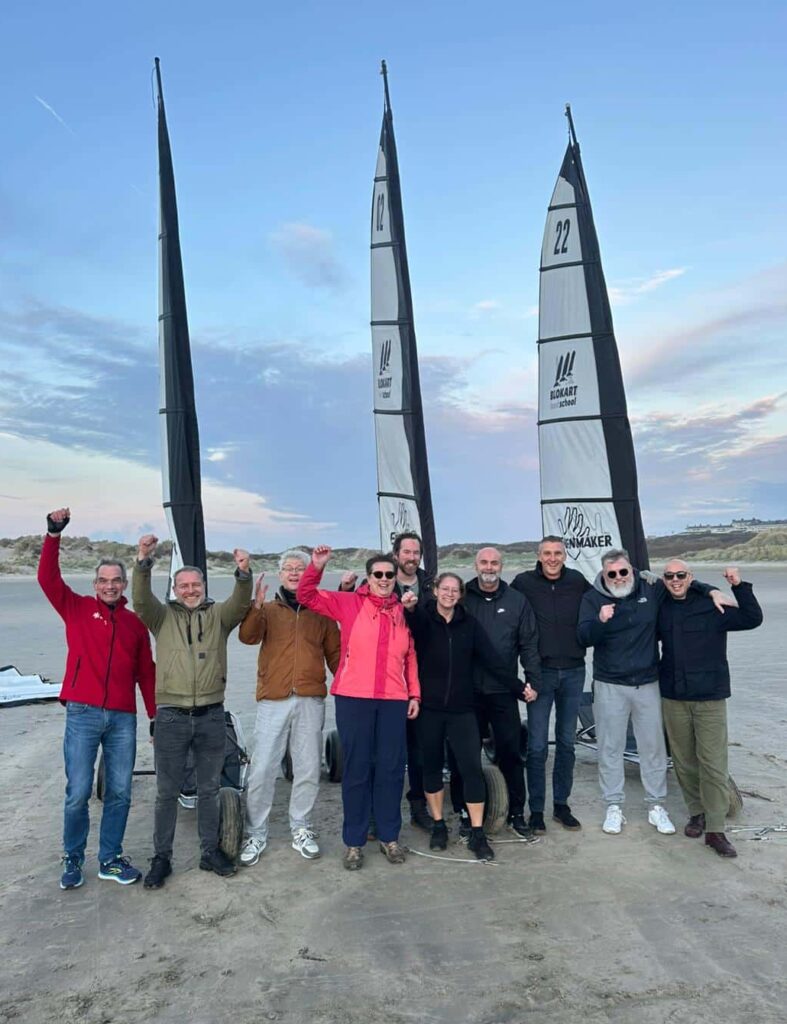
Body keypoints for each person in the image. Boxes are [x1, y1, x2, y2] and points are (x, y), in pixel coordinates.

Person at [37, 508, 156, 890]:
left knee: (120, 791)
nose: (110, 586)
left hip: (122, 717)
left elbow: (146, 673)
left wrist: (154, 716)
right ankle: (73, 857)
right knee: (78, 792)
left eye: (116, 581)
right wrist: (53, 534)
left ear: (123, 584)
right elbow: (47, 578)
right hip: (83, 713)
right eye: (104, 580)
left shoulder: (135, 624)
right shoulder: (75, 608)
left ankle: (110, 858)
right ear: (95, 583)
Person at [578, 548, 726, 836]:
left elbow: (678, 582)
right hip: (610, 684)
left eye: (624, 571)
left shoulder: (650, 589)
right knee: (610, 746)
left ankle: (656, 806)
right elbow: (582, 637)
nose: (619, 577)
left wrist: (711, 590)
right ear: (604, 574)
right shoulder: (593, 598)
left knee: (653, 748)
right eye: (612, 574)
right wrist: (600, 621)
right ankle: (613, 806)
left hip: (647, 682)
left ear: (632, 570)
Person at [132, 534, 252, 888]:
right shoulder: (160, 617)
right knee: (166, 792)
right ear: (174, 588)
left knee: (209, 789)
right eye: (182, 585)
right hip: (171, 717)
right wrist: (142, 561)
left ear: (203, 585)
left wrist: (243, 573)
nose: (189, 590)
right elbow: (140, 600)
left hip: (212, 716)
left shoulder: (219, 616)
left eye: (195, 584)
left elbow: (240, 603)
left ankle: (209, 851)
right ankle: (161, 858)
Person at [296, 545, 420, 870]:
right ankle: (354, 841)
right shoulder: (350, 603)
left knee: (392, 769)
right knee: (356, 769)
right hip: (354, 698)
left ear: (396, 578)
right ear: (368, 577)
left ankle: (390, 837)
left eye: (389, 575)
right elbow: (306, 595)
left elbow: (410, 657)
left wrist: (415, 695)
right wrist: (317, 566)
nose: (383, 579)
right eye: (377, 574)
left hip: (393, 699)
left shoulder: (403, 611)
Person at [403, 574, 525, 860]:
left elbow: (493, 660)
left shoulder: (469, 625)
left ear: (460, 594)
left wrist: (519, 688)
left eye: (454, 590)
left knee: (471, 768)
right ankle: (438, 825)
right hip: (429, 710)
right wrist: (409, 608)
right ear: (435, 592)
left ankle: (477, 832)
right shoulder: (422, 619)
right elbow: (406, 626)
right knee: (430, 767)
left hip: (462, 709)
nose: (448, 594)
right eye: (443, 589)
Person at [237, 550, 341, 866]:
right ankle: (256, 833)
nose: (295, 573)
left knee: (308, 766)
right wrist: (255, 607)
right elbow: (247, 637)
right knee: (263, 768)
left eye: (300, 568)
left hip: (310, 697)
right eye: (289, 569)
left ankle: (301, 828)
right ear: (281, 574)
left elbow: (335, 655)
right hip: (273, 698)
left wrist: (349, 687)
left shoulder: (320, 611)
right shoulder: (268, 610)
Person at [658, 562, 763, 858]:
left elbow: (752, 618)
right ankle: (697, 814)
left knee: (713, 763)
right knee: (683, 760)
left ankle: (716, 830)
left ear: (690, 577)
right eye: (670, 576)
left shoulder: (710, 604)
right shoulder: (660, 606)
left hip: (710, 697)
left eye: (681, 575)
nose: (675, 580)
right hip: (673, 697)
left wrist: (736, 585)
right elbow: (641, 579)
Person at [339, 531, 434, 832]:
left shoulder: (429, 585)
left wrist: (415, 693)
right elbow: (349, 612)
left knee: (410, 753)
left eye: (416, 552)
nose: (412, 557)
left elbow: (425, 635)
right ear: (396, 555)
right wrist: (345, 587)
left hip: (413, 682)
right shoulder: (374, 591)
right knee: (369, 758)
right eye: (406, 552)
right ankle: (366, 820)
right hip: (372, 688)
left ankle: (415, 809)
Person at [458, 546, 540, 840]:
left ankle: (517, 813)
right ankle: (464, 814)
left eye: (494, 563)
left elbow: (529, 644)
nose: (489, 567)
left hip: (504, 692)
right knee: (465, 757)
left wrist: (532, 682)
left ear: (501, 566)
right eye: (484, 562)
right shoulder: (461, 597)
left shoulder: (517, 601)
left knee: (510, 754)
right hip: (466, 693)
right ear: (475, 564)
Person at [511, 536, 591, 833]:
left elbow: (604, 599)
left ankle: (561, 805)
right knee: (537, 746)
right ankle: (536, 810)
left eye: (558, 553)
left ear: (565, 555)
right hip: (539, 673)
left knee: (568, 743)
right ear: (539, 555)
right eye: (547, 553)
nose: (553, 558)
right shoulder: (523, 582)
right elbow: (499, 603)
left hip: (574, 671)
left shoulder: (577, 580)